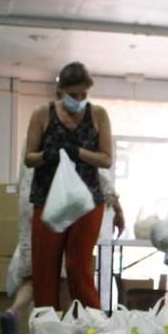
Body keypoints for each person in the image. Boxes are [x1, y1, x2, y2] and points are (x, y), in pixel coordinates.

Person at [0, 153, 124, 334]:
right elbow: (99, 168)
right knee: (65, 273)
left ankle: (14, 311)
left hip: (32, 201)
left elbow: (21, 177)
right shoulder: (73, 128)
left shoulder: (32, 137)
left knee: (35, 274)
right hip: (59, 201)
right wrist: (115, 204)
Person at [23, 62, 115, 312]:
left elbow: (107, 158)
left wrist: (79, 153)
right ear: (60, 91)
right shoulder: (42, 114)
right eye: (73, 95)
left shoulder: (98, 115)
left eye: (83, 95)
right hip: (47, 199)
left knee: (78, 268)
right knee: (45, 269)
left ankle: (92, 327)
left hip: (85, 202)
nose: (79, 100)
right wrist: (47, 156)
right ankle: (46, 328)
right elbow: (28, 158)